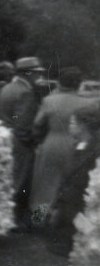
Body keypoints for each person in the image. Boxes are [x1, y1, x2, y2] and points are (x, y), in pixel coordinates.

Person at [28, 67, 92, 221]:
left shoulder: (49, 100)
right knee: (73, 183)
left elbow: (38, 124)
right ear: (79, 83)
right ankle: (67, 218)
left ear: (60, 82)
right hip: (78, 146)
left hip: (53, 143)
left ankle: (39, 217)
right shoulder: (89, 102)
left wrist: (39, 139)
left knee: (46, 184)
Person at [41, 105, 100, 255]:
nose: (70, 126)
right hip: (69, 203)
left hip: (82, 202)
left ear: (83, 126)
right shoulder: (78, 145)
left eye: (73, 123)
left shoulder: (94, 151)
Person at [0, 56, 44, 229]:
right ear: (28, 73)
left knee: (12, 178)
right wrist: (32, 142)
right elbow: (23, 124)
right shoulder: (25, 92)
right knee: (22, 181)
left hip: (8, 137)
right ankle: (18, 221)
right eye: (36, 73)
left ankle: (8, 218)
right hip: (21, 143)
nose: (38, 77)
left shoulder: (7, 88)